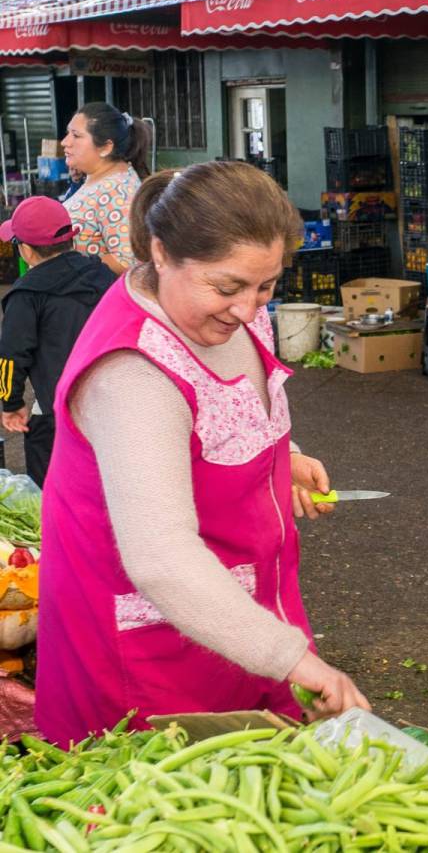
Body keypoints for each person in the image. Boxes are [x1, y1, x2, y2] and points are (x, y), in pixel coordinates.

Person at [35, 161, 370, 746]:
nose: (248, 309)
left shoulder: (226, 310)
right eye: (227, 287)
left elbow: (224, 403)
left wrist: (277, 451)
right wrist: (289, 657)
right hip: (153, 637)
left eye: (265, 285)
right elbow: (162, 557)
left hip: (244, 605)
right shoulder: (132, 376)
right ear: (161, 254)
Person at [0, 197, 115, 488]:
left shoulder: (26, 295)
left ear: (25, 250)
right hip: (111, 404)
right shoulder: (101, 274)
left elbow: (11, 356)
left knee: (49, 487)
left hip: (58, 412)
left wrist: (11, 403)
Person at [61, 102, 150, 274]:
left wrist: (64, 266)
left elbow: (127, 261)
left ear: (106, 147)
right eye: (67, 133)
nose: (65, 142)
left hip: (96, 298)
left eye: (76, 136)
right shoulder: (96, 178)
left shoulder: (118, 191)